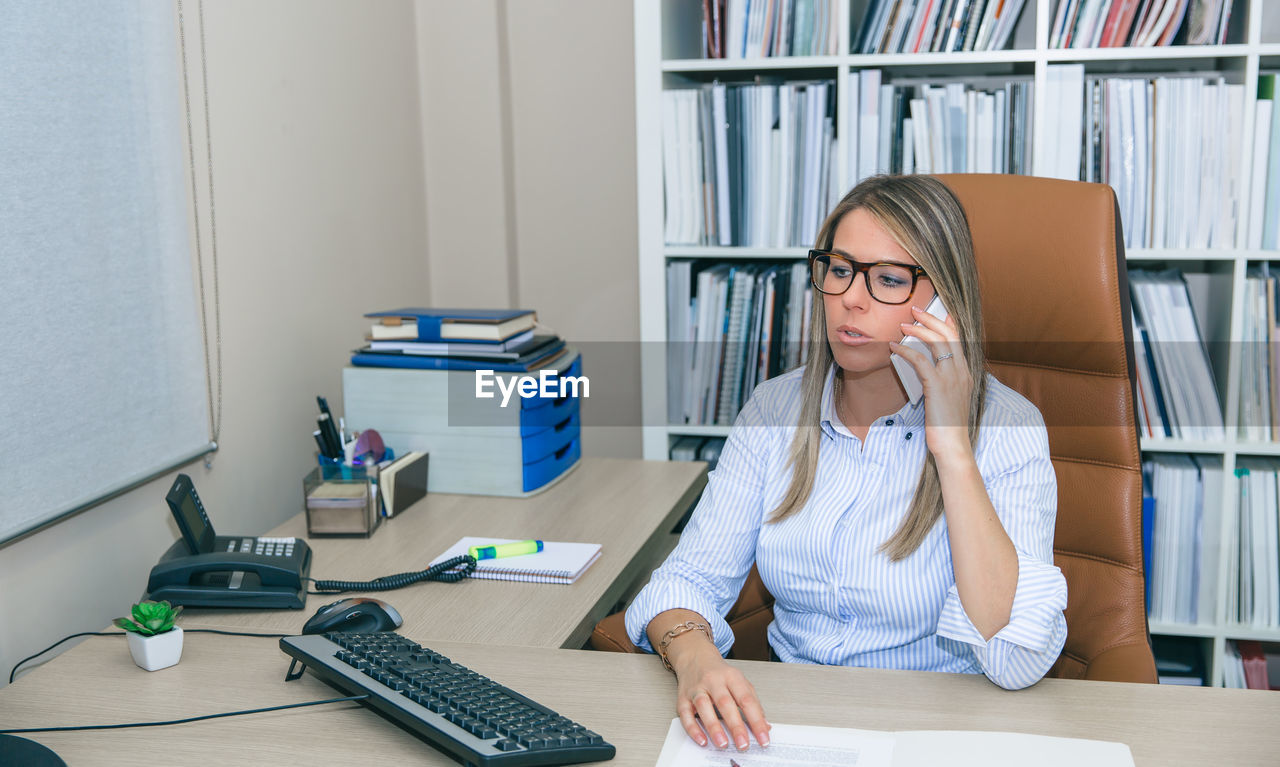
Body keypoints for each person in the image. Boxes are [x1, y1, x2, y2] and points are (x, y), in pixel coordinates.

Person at [625, 174, 1068, 752]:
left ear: (944, 302)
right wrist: (695, 659)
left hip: (939, 732)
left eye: (887, 279)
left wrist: (953, 448)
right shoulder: (775, 409)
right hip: (790, 728)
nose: (851, 299)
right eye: (838, 269)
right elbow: (688, 579)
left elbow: (1014, 656)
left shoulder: (1007, 429)